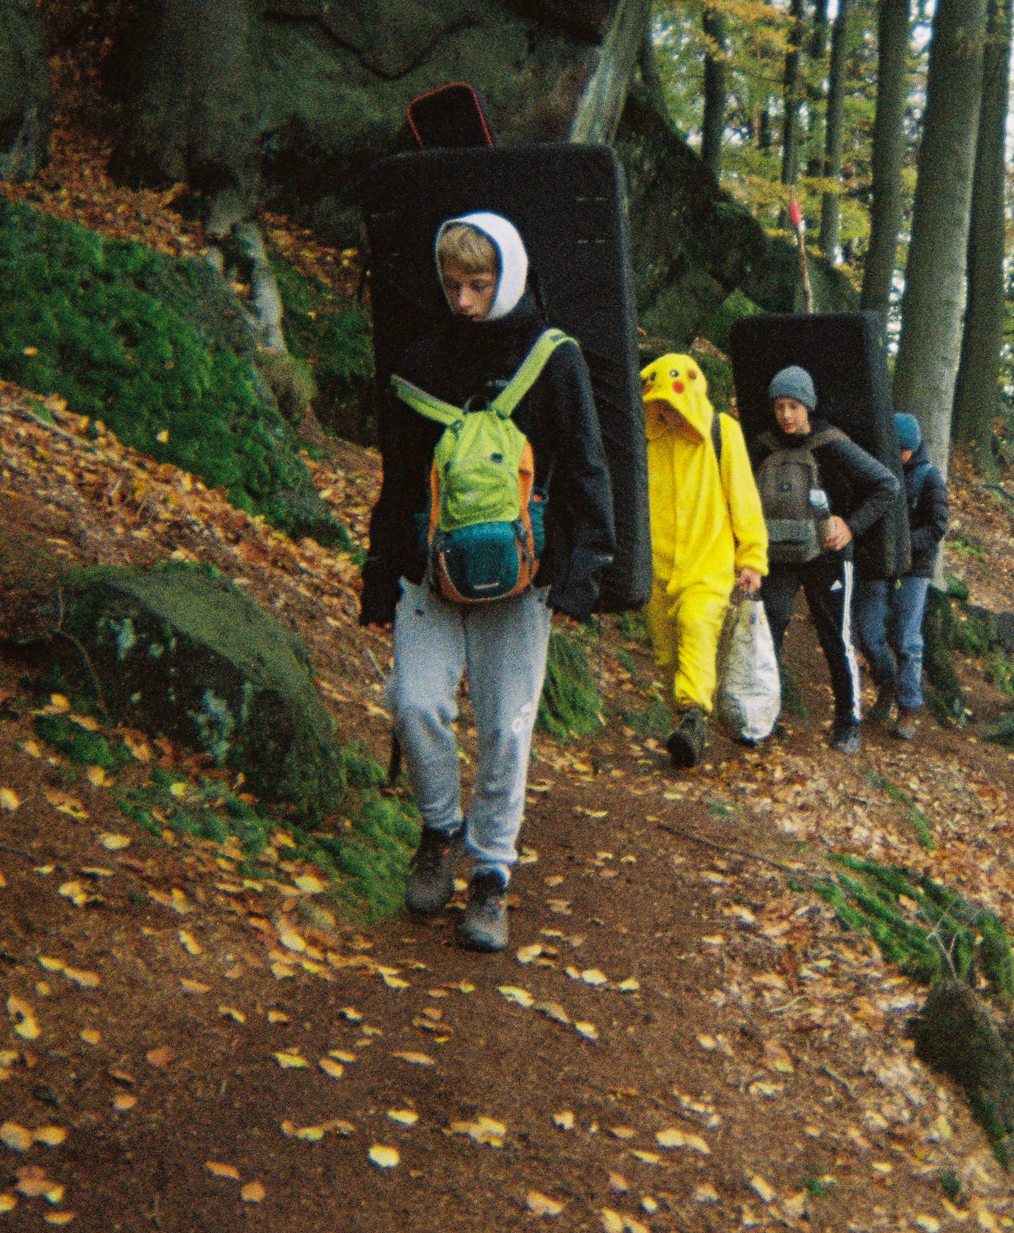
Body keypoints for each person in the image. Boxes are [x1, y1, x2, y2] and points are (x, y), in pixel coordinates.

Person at [362, 214, 614, 952]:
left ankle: (491, 877)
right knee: (414, 703)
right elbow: (400, 478)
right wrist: (380, 572)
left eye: (479, 284)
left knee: (507, 728)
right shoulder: (421, 361)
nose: (464, 300)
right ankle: (439, 830)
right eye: (452, 285)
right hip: (429, 572)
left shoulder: (553, 359)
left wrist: (582, 571)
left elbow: (589, 468)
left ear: (510, 275)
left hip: (523, 578)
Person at [756, 366, 900, 754]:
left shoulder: (831, 442)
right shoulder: (765, 445)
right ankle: (762, 714)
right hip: (778, 553)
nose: (786, 414)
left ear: (808, 406)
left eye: (794, 405)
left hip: (828, 555)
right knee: (769, 628)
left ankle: (849, 721)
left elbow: (887, 484)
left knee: (834, 635)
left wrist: (851, 527)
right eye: (780, 406)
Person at [640, 352, 768, 770]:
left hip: (707, 565)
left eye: (672, 404)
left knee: (696, 626)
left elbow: (743, 495)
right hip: (656, 568)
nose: (668, 414)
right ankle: (686, 727)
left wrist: (752, 557)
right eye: (659, 405)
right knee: (667, 655)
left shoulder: (721, 432)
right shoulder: (644, 439)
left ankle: (695, 717)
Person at [856, 412, 948, 742]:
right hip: (877, 565)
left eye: (901, 450)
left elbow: (937, 525)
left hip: (914, 569)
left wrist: (906, 546)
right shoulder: (874, 471)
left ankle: (908, 707)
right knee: (868, 631)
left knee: (907, 640)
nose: (896, 456)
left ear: (912, 447)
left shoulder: (929, 478)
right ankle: (887, 683)